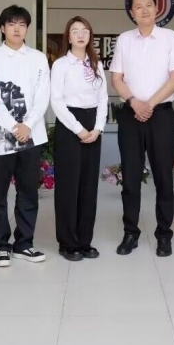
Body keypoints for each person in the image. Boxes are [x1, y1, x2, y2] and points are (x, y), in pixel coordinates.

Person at [110, 0, 174, 257]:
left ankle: (164, 235)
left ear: (157, 9)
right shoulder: (124, 39)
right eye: (138, 6)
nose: (144, 10)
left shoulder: (170, 37)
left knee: (164, 177)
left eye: (148, 5)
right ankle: (130, 232)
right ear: (132, 12)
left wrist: (149, 104)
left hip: (161, 115)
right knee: (130, 178)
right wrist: (134, 102)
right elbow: (116, 78)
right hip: (131, 115)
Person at [0, 5, 50, 267]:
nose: (16, 29)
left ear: (27, 29)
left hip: (32, 135)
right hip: (1, 137)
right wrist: (14, 126)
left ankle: (24, 243)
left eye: (22, 24)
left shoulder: (38, 58)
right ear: (2, 28)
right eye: (11, 24)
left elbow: (42, 95)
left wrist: (28, 125)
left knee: (28, 192)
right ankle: (1, 245)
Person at [50, 16, 108, 261]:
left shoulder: (96, 64)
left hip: (93, 124)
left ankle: (85, 240)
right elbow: (56, 101)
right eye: (75, 31)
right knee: (68, 186)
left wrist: (98, 128)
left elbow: (103, 98)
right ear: (68, 36)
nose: (81, 35)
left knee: (88, 185)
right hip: (69, 125)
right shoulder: (61, 64)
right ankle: (67, 242)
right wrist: (78, 129)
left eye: (85, 30)